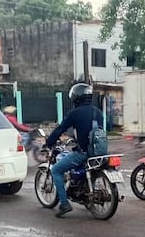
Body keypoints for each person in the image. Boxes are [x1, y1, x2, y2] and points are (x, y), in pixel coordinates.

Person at [44, 83, 104, 218]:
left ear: (76, 97)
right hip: (99, 152)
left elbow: (60, 129)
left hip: (83, 153)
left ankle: (64, 204)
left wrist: (49, 142)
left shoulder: (74, 113)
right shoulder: (98, 112)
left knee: (56, 170)